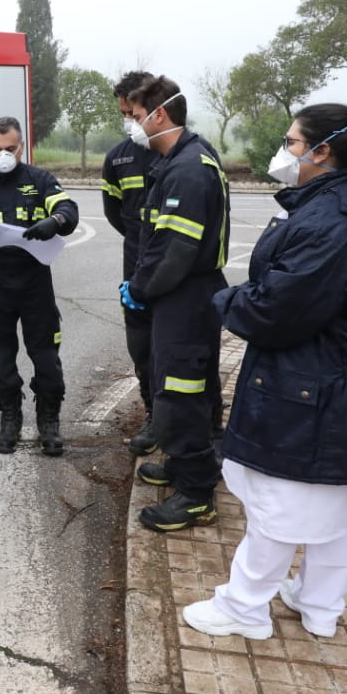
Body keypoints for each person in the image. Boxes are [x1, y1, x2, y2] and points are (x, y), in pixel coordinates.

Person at [180, 104, 347, 640]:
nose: (284, 151)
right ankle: (318, 604)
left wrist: (225, 299)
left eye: (292, 141)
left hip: (308, 385)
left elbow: (277, 311)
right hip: (340, 381)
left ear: (322, 151)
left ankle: (245, 607)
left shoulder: (332, 221)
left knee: (279, 504)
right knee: (329, 506)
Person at [120, 76, 230, 533]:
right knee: (191, 387)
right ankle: (188, 466)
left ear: (158, 114)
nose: (131, 123)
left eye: (134, 114)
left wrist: (141, 290)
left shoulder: (187, 168)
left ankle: (196, 494)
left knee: (180, 393)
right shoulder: (184, 157)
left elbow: (177, 253)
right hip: (185, 294)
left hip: (185, 296)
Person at [0, 116, 79, 454]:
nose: (3, 154)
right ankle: (10, 416)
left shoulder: (39, 180)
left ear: (21, 147)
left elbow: (68, 209)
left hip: (35, 281)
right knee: (0, 356)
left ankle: (48, 421)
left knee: (46, 356)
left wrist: (56, 221)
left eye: (10, 149)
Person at [100, 71, 159, 453]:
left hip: (180, 268)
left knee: (188, 349)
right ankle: (155, 414)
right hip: (136, 265)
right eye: (123, 113)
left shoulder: (184, 152)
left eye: (133, 112)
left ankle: (209, 422)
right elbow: (114, 212)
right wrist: (139, 244)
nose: (128, 120)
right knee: (141, 346)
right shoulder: (118, 158)